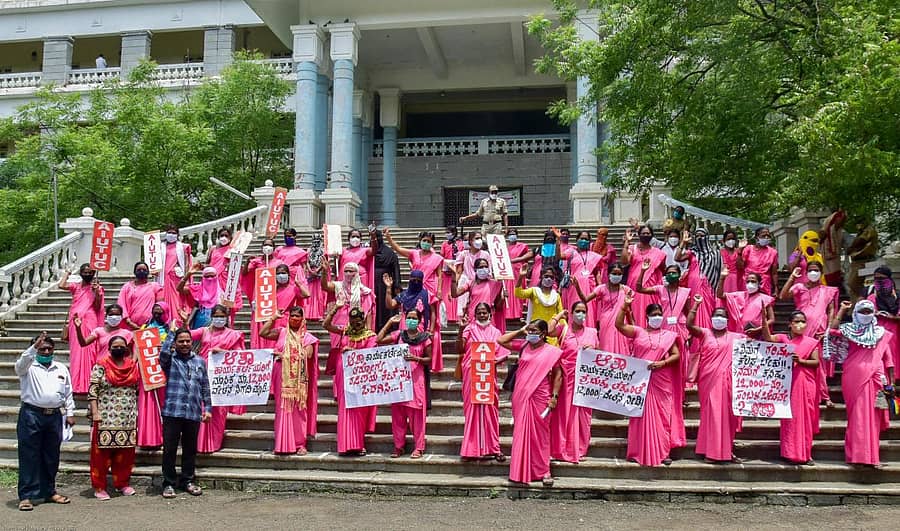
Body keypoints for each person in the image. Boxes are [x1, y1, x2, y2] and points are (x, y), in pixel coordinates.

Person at [615, 298, 681, 466]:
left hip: (661, 379)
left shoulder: (668, 335)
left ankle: (663, 451)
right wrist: (625, 306)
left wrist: (662, 363)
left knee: (662, 416)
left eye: (659, 314)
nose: (657, 317)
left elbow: (676, 355)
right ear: (647, 316)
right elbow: (619, 325)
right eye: (654, 314)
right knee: (639, 415)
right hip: (640, 379)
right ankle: (637, 450)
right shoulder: (638, 331)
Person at [498, 320, 563, 486]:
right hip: (521, 395)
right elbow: (501, 341)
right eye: (530, 330)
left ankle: (544, 471)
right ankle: (520, 470)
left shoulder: (553, 351)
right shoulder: (523, 346)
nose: (531, 333)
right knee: (521, 432)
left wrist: (554, 397)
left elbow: (557, 375)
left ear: (543, 333)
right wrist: (521, 330)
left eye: (534, 331)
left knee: (541, 436)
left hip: (541, 395)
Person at [15, 333, 75, 511]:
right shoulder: (28, 367)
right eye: (42, 348)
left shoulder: (60, 368)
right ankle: (26, 495)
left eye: (49, 348)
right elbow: (20, 365)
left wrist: (70, 413)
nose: (46, 351)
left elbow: (68, 392)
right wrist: (33, 348)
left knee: (51, 456)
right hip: (31, 414)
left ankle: (49, 491)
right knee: (29, 456)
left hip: (54, 416)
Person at [830, 300, 894, 467]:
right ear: (856, 313)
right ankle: (856, 455)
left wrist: (890, 383)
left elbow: (888, 360)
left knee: (872, 418)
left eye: (868, 311)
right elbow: (833, 330)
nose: (865, 314)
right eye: (862, 311)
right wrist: (842, 310)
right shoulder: (849, 329)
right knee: (857, 416)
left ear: (873, 313)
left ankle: (871, 457)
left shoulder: (881, 333)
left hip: (876, 377)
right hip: (853, 375)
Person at [686, 299, 744, 463]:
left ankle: (727, 450)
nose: (719, 318)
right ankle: (710, 452)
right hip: (709, 381)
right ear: (711, 318)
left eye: (723, 316)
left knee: (728, 417)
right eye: (716, 315)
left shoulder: (737, 337)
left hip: (729, 382)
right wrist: (696, 306)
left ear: (727, 320)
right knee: (712, 415)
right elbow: (689, 326)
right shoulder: (705, 333)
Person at [760, 312, 820, 465]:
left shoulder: (811, 342)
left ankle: (805, 453)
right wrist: (763, 320)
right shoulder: (783, 338)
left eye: (803, 321)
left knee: (805, 419)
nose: (800, 324)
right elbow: (768, 338)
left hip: (805, 383)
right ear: (790, 324)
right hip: (787, 383)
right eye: (796, 321)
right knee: (789, 419)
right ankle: (789, 452)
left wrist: (800, 361)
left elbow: (816, 363)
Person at [159, 328, 212, 498]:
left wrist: (208, 409)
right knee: (169, 449)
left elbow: (205, 386)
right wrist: (171, 333)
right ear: (175, 343)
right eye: (180, 341)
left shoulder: (200, 362)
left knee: (190, 449)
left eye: (187, 341)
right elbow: (163, 354)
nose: (184, 344)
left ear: (191, 342)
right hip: (172, 411)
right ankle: (168, 483)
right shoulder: (170, 361)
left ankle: (187, 480)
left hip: (193, 412)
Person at [260, 306, 319, 455]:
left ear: (302, 318)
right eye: (292, 315)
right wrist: (273, 318)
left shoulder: (307, 337)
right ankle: (282, 444)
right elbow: (263, 333)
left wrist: (285, 354)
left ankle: (300, 444)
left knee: (299, 410)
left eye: (297, 316)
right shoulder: (282, 332)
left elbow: (309, 355)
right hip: (281, 375)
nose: (294, 318)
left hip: (299, 379)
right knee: (283, 408)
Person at [779, 261, 838, 406]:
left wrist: (828, 329)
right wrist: (792, 277)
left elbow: (830, 310)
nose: (813, 272)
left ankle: (824, 396)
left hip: (820, 330)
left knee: (820, 365)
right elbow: (783, 296)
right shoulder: (799, 287)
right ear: (806, 273)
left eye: (816, 270)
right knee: (800, 363)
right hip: (801, 329)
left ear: (821, 272)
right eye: (810, 270)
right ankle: (804, 392)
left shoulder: (828, 290)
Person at [88, 335, 139, 500]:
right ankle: (99, 487)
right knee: (101, 456)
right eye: (115, 346)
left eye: (121, 346)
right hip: (105, 417)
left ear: (126, 348)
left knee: (125, 454)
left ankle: (122, 483)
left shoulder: (132, 366)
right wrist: (95, 412)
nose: (118, 348)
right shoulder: (101, 366)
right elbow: (93, 391)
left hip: (127, 417)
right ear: (109, 349)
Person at [189, 305, 246, 453]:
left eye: (222, 316)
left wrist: (223, 352)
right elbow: (186, 335)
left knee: (219, 410)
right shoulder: (204, 331)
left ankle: (214, 442)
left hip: (222, 376)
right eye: (216, 316)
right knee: (201, 406)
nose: (219, 319)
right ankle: (199, 443)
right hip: (202, 373)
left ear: (226, 317)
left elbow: (240, 355)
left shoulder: (234, 335)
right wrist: (183, 323)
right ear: (212, 317)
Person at [547, 302, 599, 463]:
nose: (580, 315)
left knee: (583, 415)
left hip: (584, 380)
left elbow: (599, 354)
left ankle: (579, 449)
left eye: (583, 312)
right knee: (563, 415)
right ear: (571, 313)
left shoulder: (592, 332)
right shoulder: (564, 330)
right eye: (577, 311)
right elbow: (548, 330)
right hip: (564, 378)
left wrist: (593, 350)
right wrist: (558, 315)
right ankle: (561, 449)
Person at [456, 303, 508, 461]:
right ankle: (470, 449)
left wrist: (491, 362)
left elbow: (504, 354)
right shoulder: (469, 329)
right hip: (472, 374)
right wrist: (460, 330)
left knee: (490, 411)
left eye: (484, 312)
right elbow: (460, 349)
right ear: (475, 314)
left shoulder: (496, 332)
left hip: (488, 375)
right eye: (479, 312)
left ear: (490, 314)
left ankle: (493, 447)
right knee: (472, 410)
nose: (482, 315)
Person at [323, 304, 378, 456]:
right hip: (343, 375)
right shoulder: (345, 331)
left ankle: (358, 444)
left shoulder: (370, 336)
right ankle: (344, 445)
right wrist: (335, 310)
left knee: (359, 411)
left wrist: (352, 351)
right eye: (352, 321)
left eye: (358, 321)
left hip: (360, 377)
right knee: (345, 409)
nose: (355, 324)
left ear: (363, 320)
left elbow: (370, 354)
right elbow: (326, 325)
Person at [377, 311, 432, 458]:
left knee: (417, 416)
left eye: (414, 318)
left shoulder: (425, 338)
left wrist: (415, 358)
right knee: (398, 416)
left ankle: (419, 447)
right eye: (409, 318)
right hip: (399, 381)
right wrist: (389, 323)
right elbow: (379, 339)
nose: (411, 320)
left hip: (416, 380)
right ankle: (398, 446)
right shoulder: (399, 335)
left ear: (420, 321)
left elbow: (430, 360)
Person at [321, 259, 375, 375]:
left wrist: (369, 331)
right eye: (346, 271)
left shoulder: (365, 291)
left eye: (351, 271)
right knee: (340, 353)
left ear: (357, 273)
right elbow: (325, 286)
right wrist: (325, 272)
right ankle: (338, 387)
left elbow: (368, 312)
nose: (348, 274)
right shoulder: (338, 286)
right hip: (339, 323)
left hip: (358, 325)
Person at [59, 263, 104, 393]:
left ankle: (89, 383)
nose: (88, 274)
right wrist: (67, 272)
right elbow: (61, 285)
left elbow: (97, 306)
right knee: (76, 352)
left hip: (90, 321)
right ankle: (76, 384)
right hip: (76, 322)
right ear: (80, 273)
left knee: (90, 351)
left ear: (94, 274)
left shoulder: (97, 288)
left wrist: (96, 292)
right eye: (85, 272)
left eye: (90, 272)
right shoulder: (76, 287)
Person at [576, 262, 634, 354]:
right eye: (614, 273)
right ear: (608, 274)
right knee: (606, 347)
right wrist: (577, 287)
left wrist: (633, 328)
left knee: (623, 349)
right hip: (606, 322)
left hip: (621, 323)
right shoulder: (601, 288)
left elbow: (629, 311)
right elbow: (585, 299)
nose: (617, 276)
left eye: (619, 274)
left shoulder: (627, 290)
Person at [137, 302, 172, 449]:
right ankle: (147, 438)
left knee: (163, 402)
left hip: (163, 369)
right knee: (148, 403)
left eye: (160, 312)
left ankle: (163, 436)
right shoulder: (144, 328)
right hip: (146, 368)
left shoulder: (170, 329)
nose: (157, 315)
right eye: (155, 312)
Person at [251, 263, 310, 350]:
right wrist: (257, 303)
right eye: (278, 273)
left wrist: (299, 284)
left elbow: (307, 294)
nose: (281, 275)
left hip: (287, 320)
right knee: (271, 344)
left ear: (288, 275)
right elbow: (263, 303)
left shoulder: (293, 288)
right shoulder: (270, 289)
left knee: (285, 345)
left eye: (283, 273)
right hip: (272, 319)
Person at [621, 225, 666, 329]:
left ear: (652, 236)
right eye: (643, 233)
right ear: (639, 235)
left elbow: (663, 269)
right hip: (635, 286)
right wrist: (626, 243)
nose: (646, 235)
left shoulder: (658, 253)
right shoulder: (632, 248)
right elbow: (624, 262)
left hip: (651, 288)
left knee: (651, 310)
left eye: (648, 233)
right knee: (635, 312)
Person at [560, 230, 603, 327]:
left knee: (590, 309)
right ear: (577, 240)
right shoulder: (571, 252)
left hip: (590, 287)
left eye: (586, 239)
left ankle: (589, 331)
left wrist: (600, 286)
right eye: (581, 239)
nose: (584, 241)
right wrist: (559, 240)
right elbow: (559, 256)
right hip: (574, 287)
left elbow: (597, 273)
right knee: (575, 307)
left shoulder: (593, 256)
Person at [716, 267, 775, 336]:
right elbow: (720, 295)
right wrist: (722, 278)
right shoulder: (738, 295)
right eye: (748, 281)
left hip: (758, 334)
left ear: (759, 283)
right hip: (738, 334)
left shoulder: (765, 299)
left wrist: (759, 329)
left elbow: (772, 319)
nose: (750, 283)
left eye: (753, 281)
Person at [514, 266, 565, 346]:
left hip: (551, 331)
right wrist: (521, 277)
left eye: (551, 277)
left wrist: (565, 329)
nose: (549, 279)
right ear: (541, 277)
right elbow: (518, 293)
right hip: (536, 329)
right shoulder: (534, 291)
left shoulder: (556, 296)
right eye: (546, 276)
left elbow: (561, 315)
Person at [451, 257, 505, 330]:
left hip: (488, 318)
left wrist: (503, 298)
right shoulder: (471, 283)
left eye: (486, 267)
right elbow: (455, 294)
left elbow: (498, 306)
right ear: (475, 270)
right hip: (473, 317)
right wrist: (454, 280)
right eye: (481, 267)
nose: (484, 269)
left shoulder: (496, 284)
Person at [160, 225, 192, 328]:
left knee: (178, 301)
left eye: (174, 233)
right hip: (163, 278)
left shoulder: (183, 247)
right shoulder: (160, 246)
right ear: (166, 233)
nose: (171, 235)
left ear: (177, 235)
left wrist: (186, 279)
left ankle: (177, 323)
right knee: (162, 300)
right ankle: (165, 323)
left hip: (176, 278)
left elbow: (187, 264)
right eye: (169, 232)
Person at [870, 267, 900, 374]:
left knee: (893, 354)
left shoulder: (897, 297)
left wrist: (890, 317)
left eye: (882, 278)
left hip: (894, 330)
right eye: (876, 279)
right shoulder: (872, 297)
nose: (879, 281)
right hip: (877, 331)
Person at [117, 261, 163, 330]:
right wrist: (129, 322)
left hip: (151, 326)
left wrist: (152, 322)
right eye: (139, 270)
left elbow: (160, 305)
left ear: (148, 272)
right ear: (134, 272)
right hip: (130, 326)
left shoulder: (155, 286)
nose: (142, 271)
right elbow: (121, 305)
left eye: (144, 270)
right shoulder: (127, 287)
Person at [178, 264, 224, 329]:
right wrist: (188, 274)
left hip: (216, 322)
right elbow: (179, 289)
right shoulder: (197, 289)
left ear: (216, 277)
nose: (210, 278)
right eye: (207, 276)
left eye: (212, 276)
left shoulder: (221, 293)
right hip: (199, 322)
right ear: (203, 277)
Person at [373, 229, 401, 330]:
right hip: (371, 283)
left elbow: (396, 269)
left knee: (386, 306)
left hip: (386, 284)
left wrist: (397, 285)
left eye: (378, 238)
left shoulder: (390, 253)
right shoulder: (370, 252)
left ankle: (388, 327)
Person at [740, 227, 779, 295]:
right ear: (757, 237)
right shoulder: (748, 249)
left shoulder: (773, 252)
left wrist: (776, 287)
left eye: (768, 236)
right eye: (763, 236)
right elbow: (740, 266)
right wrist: (740, 251)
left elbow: (774, 272)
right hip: (749, 281)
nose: (766, 237)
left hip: (764, 283)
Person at [505, 227, 533, 321]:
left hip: (518, 271)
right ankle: (508, 314)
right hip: (508, 271)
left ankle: (518, 313)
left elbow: (529, 256)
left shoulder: (522, 246)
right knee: (508, 292)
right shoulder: (505, 247)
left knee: (518, 292)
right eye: (510, 233)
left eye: (514, 233)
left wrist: (516, 260)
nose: (512, 235)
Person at [440, 226, 467, 323]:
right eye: (446, 232)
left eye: (449, 232)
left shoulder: (460, 244)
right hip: (447, 273)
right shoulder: (444, 244)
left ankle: (457, 316)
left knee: (456, 294)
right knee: (446, 296)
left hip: (457, 272)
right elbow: (442, 257)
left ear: (454, 233)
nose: (447, 234)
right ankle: (447, 316)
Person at [847, 221, 879, 299]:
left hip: (864, 261)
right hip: (857, 261)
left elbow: (860, 240)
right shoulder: (861, 231)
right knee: (853, 288)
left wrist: (851, 247)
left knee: (852, 283)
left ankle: (864, 298)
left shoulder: (869, 229)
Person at [821, 209, 847, 289]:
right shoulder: (825, 232)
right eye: (840, 219)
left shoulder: (840, 232)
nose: (842, 222)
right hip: (826, 260)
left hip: (836, 260)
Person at [305, 232, 328, 321]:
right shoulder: (308, 250)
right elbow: (306, 261)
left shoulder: (323, 250)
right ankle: (308, 314)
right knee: (309, 295)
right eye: (314, 240)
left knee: (319, 296)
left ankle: (319, 314)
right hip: (310, 275)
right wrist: (310, 271)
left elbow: (324, 262)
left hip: (320, 275)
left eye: (317, 240)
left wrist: (317, 270)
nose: (316, 242)